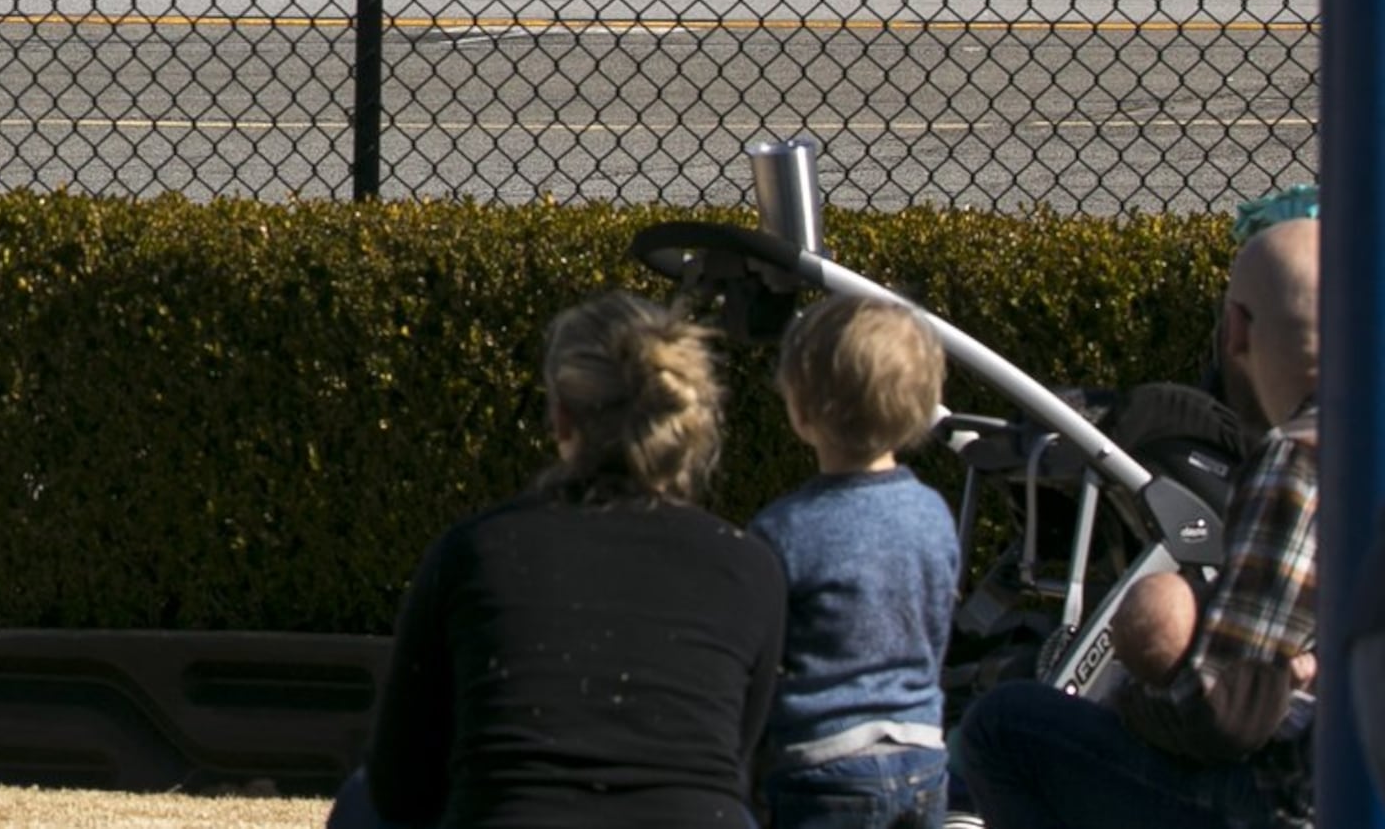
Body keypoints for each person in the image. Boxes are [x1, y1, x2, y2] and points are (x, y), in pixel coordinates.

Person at [335, 291, 787, 829]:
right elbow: (737, 762)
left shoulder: (477, 552)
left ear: (561, 417)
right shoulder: (748, 567)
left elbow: (400, 784)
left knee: (360, 801)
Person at [948, 216, 1322, 829]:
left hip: (1286, 800)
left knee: (1002, 725)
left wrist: (1131, 694)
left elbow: (1221, 716)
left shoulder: (1299, 455)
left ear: (1234, 332)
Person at [752, 296, 963, 829]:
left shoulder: (785, 529)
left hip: (823, 763)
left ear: (801, 411)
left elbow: (761, 653)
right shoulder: (933, 513)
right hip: (921, 749)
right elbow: (935, 628)